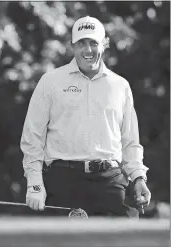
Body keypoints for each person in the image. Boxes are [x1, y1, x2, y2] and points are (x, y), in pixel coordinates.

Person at [20, 16, 151, 217]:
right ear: (72, 46)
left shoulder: (120, 86)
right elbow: (32, 139)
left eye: (93, 43)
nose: (88, 50)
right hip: (63, 180)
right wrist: (35, 183)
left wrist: (139, 177)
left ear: (104, 44)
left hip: (110, 180)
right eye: (81, 43)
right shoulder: (50, 82)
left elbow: (130, 142)